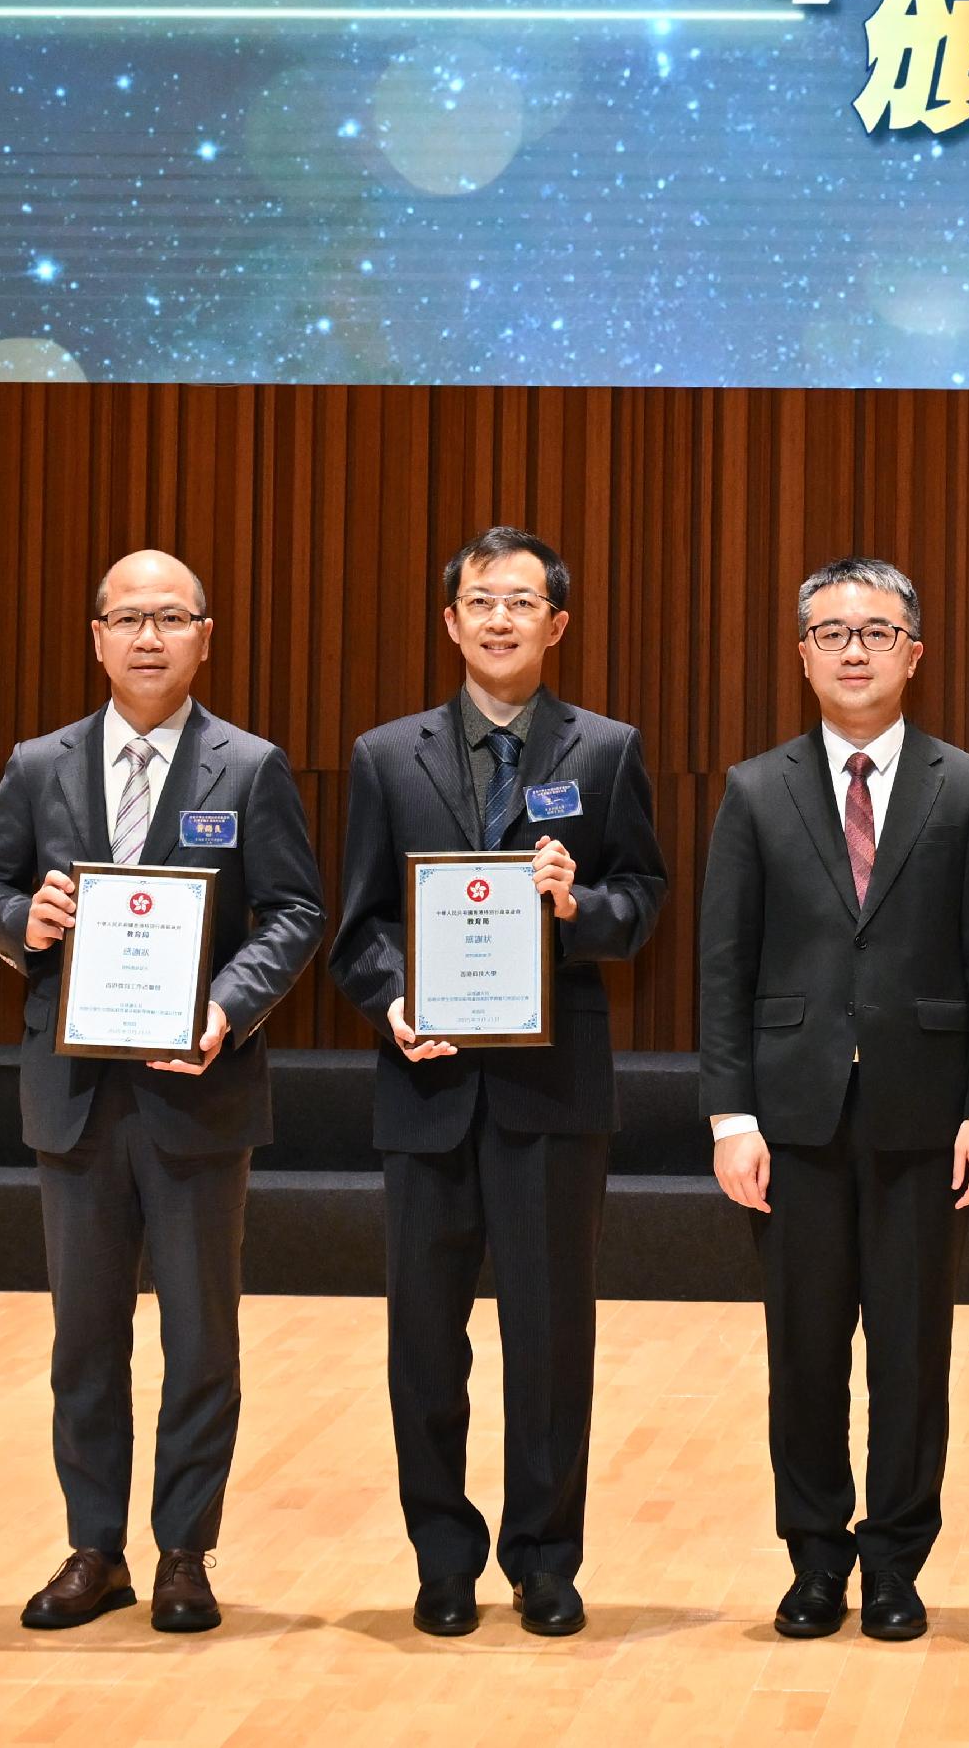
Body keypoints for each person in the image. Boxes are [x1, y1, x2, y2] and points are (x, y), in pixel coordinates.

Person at [0, 548, 324, 1639]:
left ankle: (185, 1553)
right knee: (85, 1337)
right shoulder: (38, 764)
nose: (148, 637)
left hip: (197, 1092)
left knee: (202, 1335)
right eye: (128, 618)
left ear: (207, 635)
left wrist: (226, 1007)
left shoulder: (250, 768)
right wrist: (24, 922)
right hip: (73, 1095)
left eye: (171, 617)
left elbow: (294, 912)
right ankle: (93, 1548)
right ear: (96, 637)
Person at [329, 525, 669, 1640]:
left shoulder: (606, 751)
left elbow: (642, 906)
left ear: (556, 624)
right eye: (481, 601)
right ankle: (442, 1556)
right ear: (450, 620)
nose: (500, 619)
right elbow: (359, 929)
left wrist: (580, 907)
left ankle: (545, 1558)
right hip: (425, 1088)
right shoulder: (387, 755)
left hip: (552, 1093)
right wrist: (392, 1003)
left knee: (549, 1335)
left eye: (523, 602)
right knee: (424, 1339)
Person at [694, 557, 969, 1643]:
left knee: (912, 1350)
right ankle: (814, 1557)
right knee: (804, 1349)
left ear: (913, 653)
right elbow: (723, 966)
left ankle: (895, 1561)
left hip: (928, 1117)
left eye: (875, 632)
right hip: (789, 1121)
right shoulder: (753, 788)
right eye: (830, 632)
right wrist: (729, 1117)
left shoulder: (966, 786)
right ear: (801, 655)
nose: (852, 650)